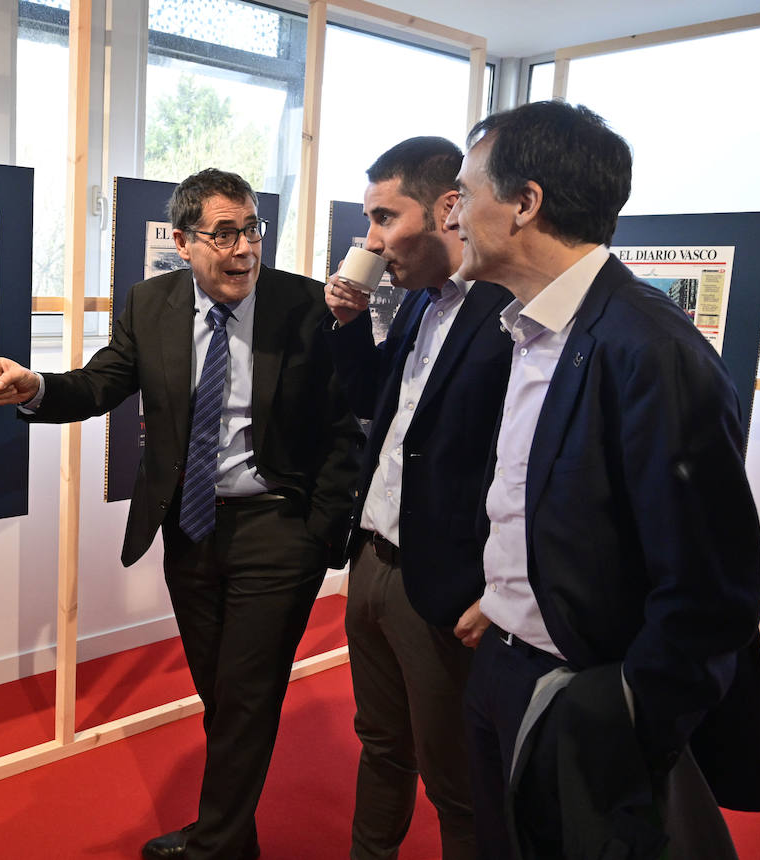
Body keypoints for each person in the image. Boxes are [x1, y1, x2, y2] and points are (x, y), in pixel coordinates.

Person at [0, 168, 362, 860]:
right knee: (222, 692)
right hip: (191, 525)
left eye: (252, 230)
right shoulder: (151, 304)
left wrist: (320, 531)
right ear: (183, 240)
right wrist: (36, 388)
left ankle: (214, 845)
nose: (243, 251)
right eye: (224, 234)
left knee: (247, 691)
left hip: (276, 527)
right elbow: (103, 381)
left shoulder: (303, 305)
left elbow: (345, 422)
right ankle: (234, 836)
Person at [444, 100, 760, 857]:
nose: (452, 214)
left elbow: (709, 590)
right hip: (505, 662)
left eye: (466, 192)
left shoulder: (650, 349)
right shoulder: (527, 329)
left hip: (583, 699)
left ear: (526, 203)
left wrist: (623, 718)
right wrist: (506, 602)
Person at [323, 137, 513, 860]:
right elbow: (383, 407)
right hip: (370, 557)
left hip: (440, 581)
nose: (370, 240)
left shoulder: (504, 310)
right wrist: (348, 326)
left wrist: (495, 584)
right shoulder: (415, 303)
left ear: (447, 207)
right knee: (379, 743)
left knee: (455, 777)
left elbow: (512, 465)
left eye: (383, 217)